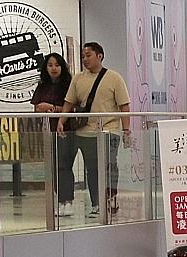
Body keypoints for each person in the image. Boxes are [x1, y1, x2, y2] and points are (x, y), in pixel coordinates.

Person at [58, 42, 132, 219]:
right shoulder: (78, 79)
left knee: (108, 166)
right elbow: (69, 102)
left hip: (108, 131)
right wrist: (61, 120)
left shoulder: (114, 78)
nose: (85, 59)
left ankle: (111, 198)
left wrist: (126, 130)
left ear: (100, 56)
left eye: (88, 55)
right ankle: (97, 204)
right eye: (83, 56)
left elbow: (124, 105)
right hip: (84, 132)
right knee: (92, 169)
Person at [33, 54, 72, 209]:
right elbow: (36, 107)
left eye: (57, 65)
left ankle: (66, 200)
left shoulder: (68, 85)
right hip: (47, 131)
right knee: (53, 167)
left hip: (64, 131)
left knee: (64, 166)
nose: (54, 68)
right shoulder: (42, 86)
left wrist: (52, 108)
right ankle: (60, 199)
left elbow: (71, 109)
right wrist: (41, 108)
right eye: (50, 65)